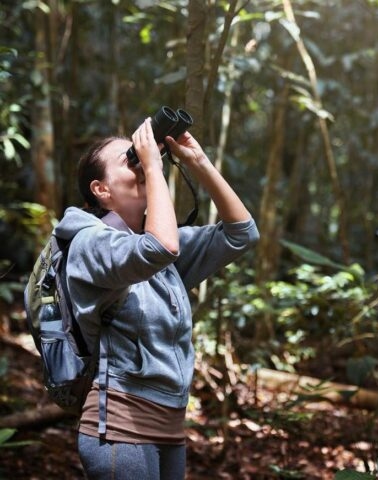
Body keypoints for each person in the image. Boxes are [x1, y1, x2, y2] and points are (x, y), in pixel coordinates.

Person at [53, 117, 259, 479]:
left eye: (138, 157)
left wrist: (198, 162)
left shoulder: (161, 251)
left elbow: (241, 234)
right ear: (100, 190)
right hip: (119, 428)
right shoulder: (90, 243)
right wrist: (151, 164)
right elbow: (159, 247)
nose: (141, 162)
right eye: (128, 160)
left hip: (169, 428)